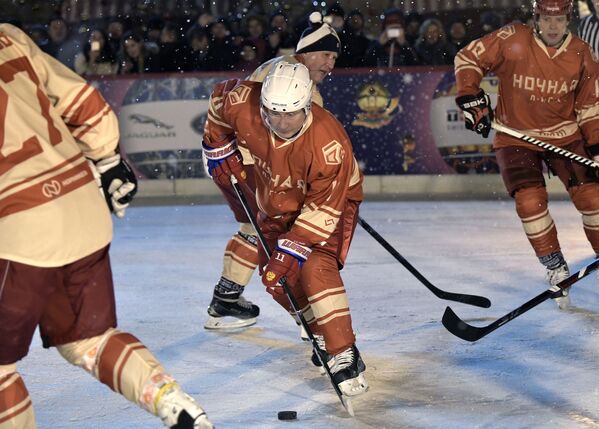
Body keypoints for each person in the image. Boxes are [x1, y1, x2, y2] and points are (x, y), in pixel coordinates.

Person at [0, 24, 213, 429]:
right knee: (89, 342)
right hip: (81, 202)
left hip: (18, 225)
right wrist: (107, 159)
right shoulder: (8, 36)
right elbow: (81, 99)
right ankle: (176, 404)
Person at [202, 61, 367, 397]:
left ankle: (344, 353)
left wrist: (292, 250)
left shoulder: (328, 143)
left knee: (314, 267)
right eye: (273, 113)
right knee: (274, 278)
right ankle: (317, 327)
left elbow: (322, 211)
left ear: (307, 105)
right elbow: (218, 103)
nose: (281, 122)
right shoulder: (243, 104)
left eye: (291, 113)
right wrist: (217, 146)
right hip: (276, 198)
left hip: (330, 202)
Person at [454, 0, 599, 309]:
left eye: (559, 19)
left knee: (594, 200)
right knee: (529, 202)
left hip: (566, 136)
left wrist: (598, 147)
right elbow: (468, 57)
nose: (552, 26)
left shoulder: (581, 53)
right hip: (515, 137)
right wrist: (470, 95)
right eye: (546, 19)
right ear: (535, 18)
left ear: (568, 19)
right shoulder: (512, 38)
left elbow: (589, 108)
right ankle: (554, 264)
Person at [203, 11, 342, 330]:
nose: (330, 63)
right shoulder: (296, 81)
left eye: (334, 57)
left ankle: (225, 299)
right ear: (306, 50)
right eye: (325, 54)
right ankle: (308, 321)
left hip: (235, 163)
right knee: (278, 236)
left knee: (252, 228)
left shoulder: (279, 67)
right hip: (254, 167)